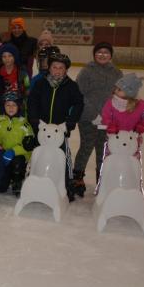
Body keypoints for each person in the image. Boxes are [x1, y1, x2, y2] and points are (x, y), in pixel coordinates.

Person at [27, 52, 84, 200]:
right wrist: (34, 120)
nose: (57, 70)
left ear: (66, 70)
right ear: (49, 67)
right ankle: (32, 182)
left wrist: (69, 123)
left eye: (61, 68)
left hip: (60, 130)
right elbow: (32, 102)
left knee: (64, 156)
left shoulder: (71, 86)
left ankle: (66, 183)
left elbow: (78, 105)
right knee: (37, 155)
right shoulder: (41, 84)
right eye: (54, 67)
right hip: (42, 129)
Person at [72, 42, 123, 196]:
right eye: (99, 52)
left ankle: (101, 180)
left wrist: (112, 115)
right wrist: (94, 114)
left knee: (103, 150)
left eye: (106, 52)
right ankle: (77, 178)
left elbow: (119, 95)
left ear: (111, 55)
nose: (102, 55)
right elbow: (79, 94)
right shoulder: (86, 71)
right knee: (86, 146)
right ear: (94, 54)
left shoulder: (117, 73)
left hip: (108, 120)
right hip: (88, 117)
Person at [0, 92, 33, 196]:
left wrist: (13, 151)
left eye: (14, 105)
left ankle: (17, 180)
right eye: (8, 105)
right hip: (2, 157)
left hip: (17, 158)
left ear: (19, 106)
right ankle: (4, 178)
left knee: (17, 162)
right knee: (1, 188)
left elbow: (29, 146)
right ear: (3, 106)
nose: (11, 108)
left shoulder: (25, 124)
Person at [0, 43, 30, 117]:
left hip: (19, 111)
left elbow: (27, 95)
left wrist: (26, 115)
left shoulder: (23, 74)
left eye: (10, 56)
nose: (7, 59)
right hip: (1, 111)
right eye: (4, 56)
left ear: (15, 57)